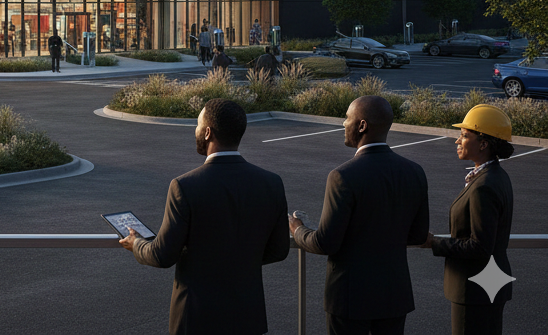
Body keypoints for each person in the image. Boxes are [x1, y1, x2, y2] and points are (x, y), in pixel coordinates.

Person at [119, 98, 289, 335]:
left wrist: (136, 243)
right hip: (247, 318)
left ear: (208, 132)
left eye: (198, 125)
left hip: (196, 319)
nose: (195, 131)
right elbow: (279, 250)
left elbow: (162, 255)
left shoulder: (184, 186)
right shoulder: (271, 183)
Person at [289, 95, 429, 335]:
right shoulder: (414, 172)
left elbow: (325, 242)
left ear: (362, 125)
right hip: (394, 296)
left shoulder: (342, 176)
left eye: (347, 118)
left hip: (349, 299)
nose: (344, 124)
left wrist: (297, 229)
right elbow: (417, 235)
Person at [420, 104, 515, 335]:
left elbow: (479, 246)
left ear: (483, 144)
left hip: (475, 289)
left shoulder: (484, 186)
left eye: (464, 135)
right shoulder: (496, 176)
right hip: (488, 285)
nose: (457, 141)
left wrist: (434, 242)